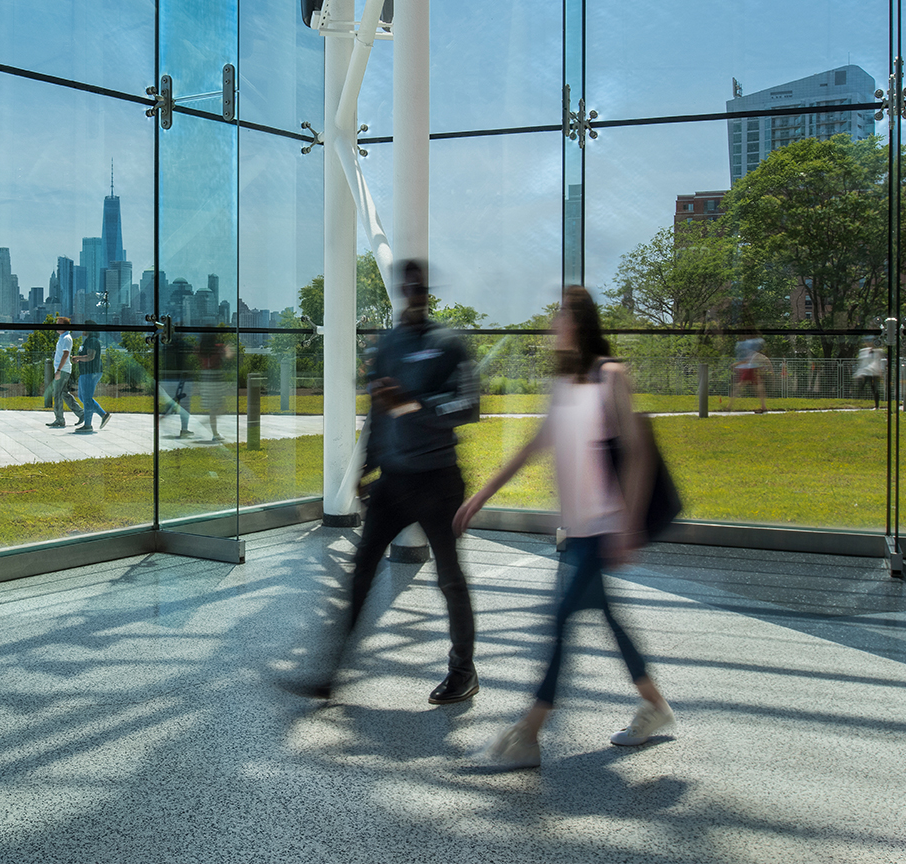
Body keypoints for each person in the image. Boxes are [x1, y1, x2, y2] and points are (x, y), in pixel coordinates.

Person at [454, 285, 673, 770]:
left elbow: (637, 454)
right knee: (608, 620)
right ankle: (656, 706)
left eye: (560, 314)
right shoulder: (565, 384)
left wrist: (629, 527)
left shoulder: (610, 376)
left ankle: (528, 733)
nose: (553, 323)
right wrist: (481, 495)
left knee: (559, 623)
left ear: (579, 322)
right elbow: (535, 445)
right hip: (575, 532)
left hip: (604, 527)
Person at [288, 259, 481, 706]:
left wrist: (414, 404)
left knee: (450, 578)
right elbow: (378, 410)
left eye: (419, 283)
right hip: (394, 483)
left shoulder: (450, 343)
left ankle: (463, 671)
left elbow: (469, 407)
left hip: (439, 481)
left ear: (427, 289)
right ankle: (329, 673)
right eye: (406, 282)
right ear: (400, 288)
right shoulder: (389, 344)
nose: (412, 289)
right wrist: (364, 468)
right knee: (360, 575)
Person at [71, 321, 111, 433]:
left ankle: (88, 425)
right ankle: (103, 415)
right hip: (86, 372)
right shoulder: (88, 340)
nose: (82, 329)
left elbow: (90, 356)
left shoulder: (92, 341)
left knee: (87, 398)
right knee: (82, 397)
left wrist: (77, 358)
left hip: (91, 372)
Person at [197, 329, 235, 442]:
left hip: (205, 377)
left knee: (213, 408)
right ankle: (214, 432)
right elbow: (229, 356)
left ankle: (214, 431)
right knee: (219, 406)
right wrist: (229, 348)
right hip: (216, 376)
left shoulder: (201, 349)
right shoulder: (218, 348)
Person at [45, 317, 83, 428]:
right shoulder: (63, 337)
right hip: (63, 369)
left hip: (63, 370)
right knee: (64, 394)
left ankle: (59, 420)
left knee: (56, 394)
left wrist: (58, 370)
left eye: (59, 324)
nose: (56, 326)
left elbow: (65, 354)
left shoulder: (66, 338)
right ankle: (81, 414)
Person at [729, 336, 769, 413]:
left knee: (739, 386)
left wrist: (735, 364)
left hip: (749, 368)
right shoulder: (749, 343)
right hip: (751, 368)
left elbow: (746, 360)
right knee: (758, 387)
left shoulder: (746, 344)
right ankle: (763, 406)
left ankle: (729, 406)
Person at [854, 339, 886, 409]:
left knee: (874, 389)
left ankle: (876, 405)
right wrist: (859, 373)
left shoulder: (878, 352)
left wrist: (880, 372)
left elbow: (880, 362)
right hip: (866, 373)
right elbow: (862, 363)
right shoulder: (863, 351)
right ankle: (856, 402)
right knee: (861, 386)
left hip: (874, 373)